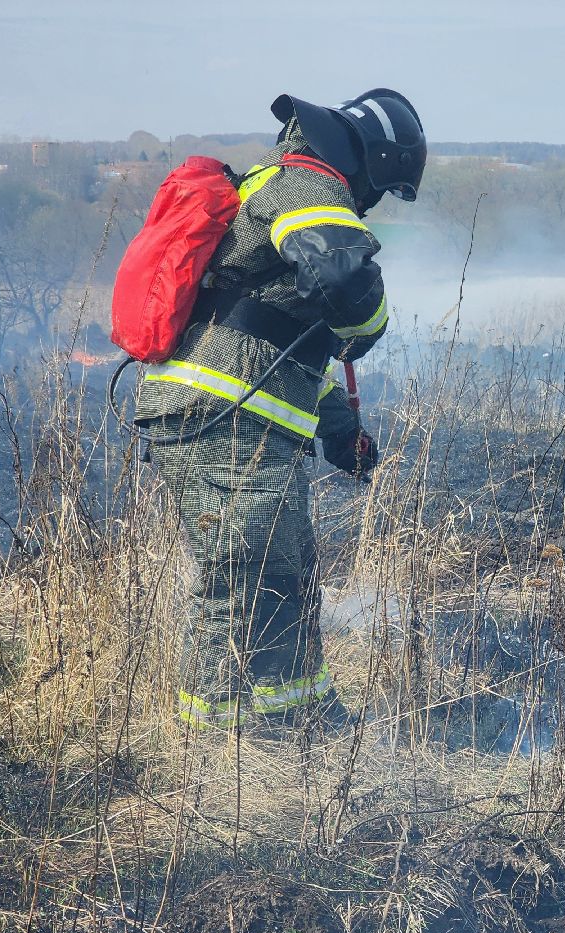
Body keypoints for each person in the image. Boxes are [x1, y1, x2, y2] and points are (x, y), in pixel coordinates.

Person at [133, 88, 426, 738]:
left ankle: (293, 721)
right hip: (223, 415)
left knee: (276, 572)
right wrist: (366, 324)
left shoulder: (279, 186)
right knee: (247, 577)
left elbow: (282, 345)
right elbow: (348, 282)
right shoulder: (304, 186)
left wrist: (341, 431)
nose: (373, 203)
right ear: (374, 161)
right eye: (382, 189)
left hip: (225, 411)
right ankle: (220, 746)